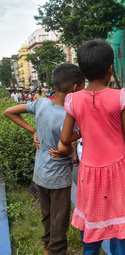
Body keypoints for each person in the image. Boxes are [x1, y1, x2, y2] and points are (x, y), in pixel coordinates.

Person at [56, 39, 125, 254]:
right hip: (118, 169)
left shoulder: (73, 100)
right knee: (120, 224)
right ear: (110, 69)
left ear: (83, 73)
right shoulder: (120, 97)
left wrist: (84, 131)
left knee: (92, 221)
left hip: (89, 171)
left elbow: (66, 138)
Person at [4, 63, 85, 255]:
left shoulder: (41, 103)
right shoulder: (69, 115)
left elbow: (9, 112)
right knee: (60, 217)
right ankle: (56, 251)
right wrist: (80, 134)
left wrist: (33, 130)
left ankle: (50, 246)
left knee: (47, 214)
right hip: (58, 177)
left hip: (40, 172)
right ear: (75, 88)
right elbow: (64, 145)